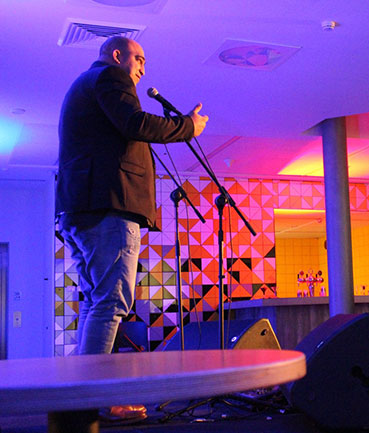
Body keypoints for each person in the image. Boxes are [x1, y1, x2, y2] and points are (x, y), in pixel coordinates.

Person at [56, 36, 208, 421]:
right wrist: (186, 126)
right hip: (109, 206)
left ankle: (82, 398)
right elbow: (135, 123)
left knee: (97, 302)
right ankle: (93, 401)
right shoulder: (109, 77)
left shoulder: (87, 86)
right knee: (110, 302)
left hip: (83, 207)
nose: (142, 68)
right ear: (117, 55)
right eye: (139, 59)